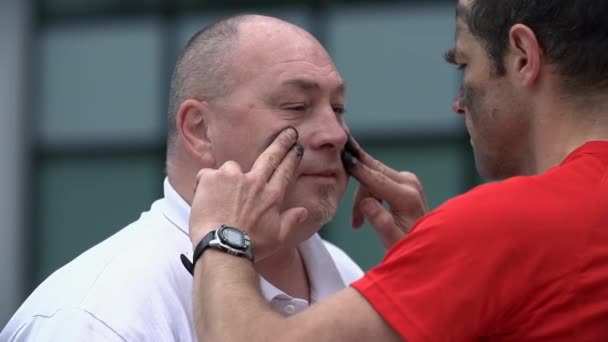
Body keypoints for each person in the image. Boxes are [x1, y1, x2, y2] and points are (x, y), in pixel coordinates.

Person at [187, 0, 608, 340]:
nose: (458, 103)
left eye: (464, 65)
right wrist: (445, 290)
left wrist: (222, 235)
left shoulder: (508, 225)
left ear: (522, 57)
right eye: (298, 107)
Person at [0, 14, 364, 341]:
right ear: (200, 130)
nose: (335, 134)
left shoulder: (352, 279)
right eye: (296, 107)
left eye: (338, 109)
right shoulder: (97, 320)